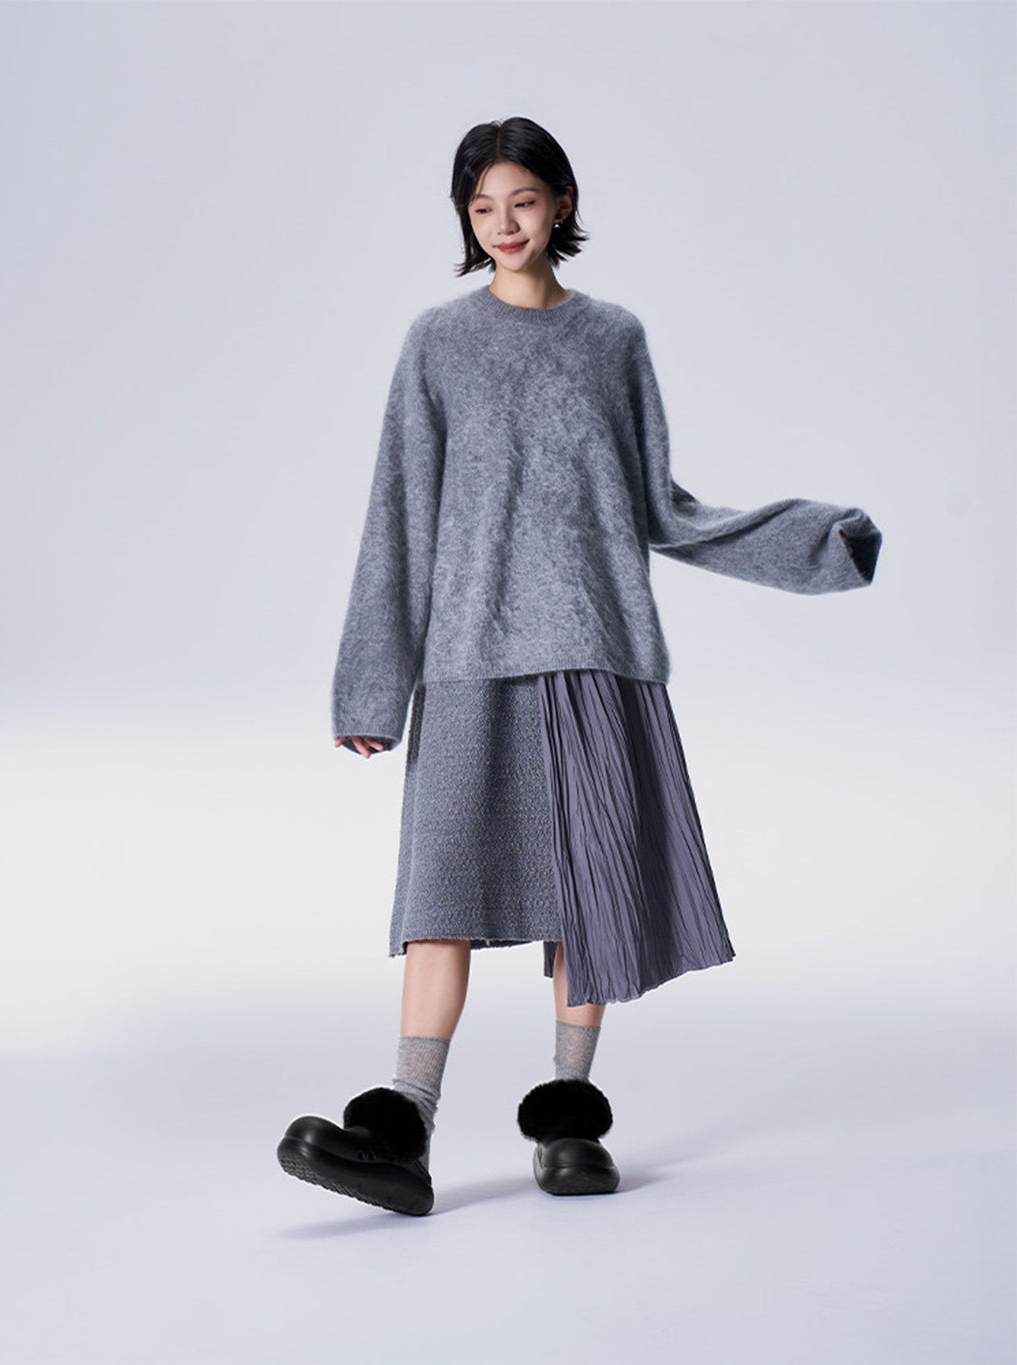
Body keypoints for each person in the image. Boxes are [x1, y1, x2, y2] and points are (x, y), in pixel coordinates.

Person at [276, 116, 882, 1217]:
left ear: (560, 202)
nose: (503, 224)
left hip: (597, 648)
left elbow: (663, 508)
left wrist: (813, 543)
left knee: (587, 896)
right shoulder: (437, 343)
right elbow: (398, 517)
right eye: (481, 207)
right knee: (439, 893)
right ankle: (403, 1126)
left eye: (521, 200)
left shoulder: (613, 339)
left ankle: (567, 1119)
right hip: (468, 656)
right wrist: (371, 686)